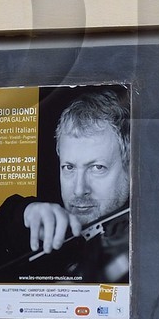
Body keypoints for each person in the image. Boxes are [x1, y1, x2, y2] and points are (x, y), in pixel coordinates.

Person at [21, 88, 131, 283]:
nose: (79, 190)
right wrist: (24, 211)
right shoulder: (56, 232)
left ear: (130, 167)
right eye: (69, 167)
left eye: (97, 167)